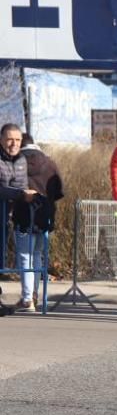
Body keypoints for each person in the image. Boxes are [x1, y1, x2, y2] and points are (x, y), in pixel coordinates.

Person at [14, 133, 63, 311]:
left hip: (23, 215)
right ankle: (34, 294)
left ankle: (28, 299)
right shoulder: (50, 163)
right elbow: (58, 191)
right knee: (37, 256)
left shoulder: (17, 162)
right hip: (45, 216)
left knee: (24, 256)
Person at [0, 123, 38, 315]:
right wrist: (20, 194)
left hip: (8, 217)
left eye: (17, 140)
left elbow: (21, 185)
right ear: (1, 139)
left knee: (2, 258)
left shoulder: (22, 159)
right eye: (9, 139)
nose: (13, 144)